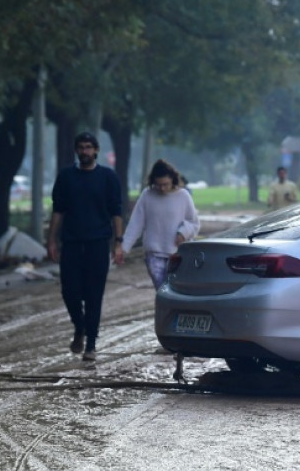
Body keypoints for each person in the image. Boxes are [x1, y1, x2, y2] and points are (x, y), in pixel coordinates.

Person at [46, 132, 124, 362]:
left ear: (96, 150)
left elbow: (116, 212)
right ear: (76, 150)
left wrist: (118, 242)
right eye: (81, 147)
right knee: (69, 292)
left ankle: (91, 343)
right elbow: (58, 210)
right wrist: (51, 239)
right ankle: (79, 327)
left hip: (98, 243)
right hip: (71, 242)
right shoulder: (66, 176)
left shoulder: (108, 178)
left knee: (93, 295)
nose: (85, 152)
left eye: (89, 147)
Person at [122, 159, 200, 289]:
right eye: (158, 185)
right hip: (154, 254)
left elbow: (194, 223)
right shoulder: (147, 195)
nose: (162, 188)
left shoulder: (183, 196)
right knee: (162, 290)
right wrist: (124, 248)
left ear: (173, 180)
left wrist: (183, 233)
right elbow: (135, 224)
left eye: (165, 184)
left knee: (178, 290)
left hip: (179, 254)